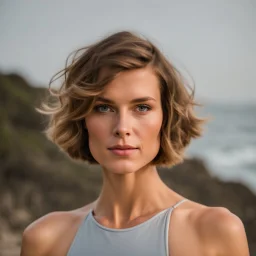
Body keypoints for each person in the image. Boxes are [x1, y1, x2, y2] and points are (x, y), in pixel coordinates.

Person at [20, 31, 250, 256]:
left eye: (142, 107)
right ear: (82, 119)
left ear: (166, 118)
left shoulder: (215, 231)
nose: (122, 127)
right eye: (104, 108)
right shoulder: (45, 239)